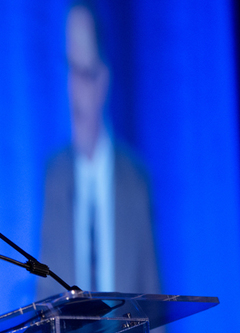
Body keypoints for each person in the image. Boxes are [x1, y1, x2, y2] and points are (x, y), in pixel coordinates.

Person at [38, 3, 160, 299]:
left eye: (85, 73)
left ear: (103, 77)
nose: (75, 89)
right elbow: (45, 293)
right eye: (70, 70)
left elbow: (152, 288)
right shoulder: (55, 174)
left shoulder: (134, 176)